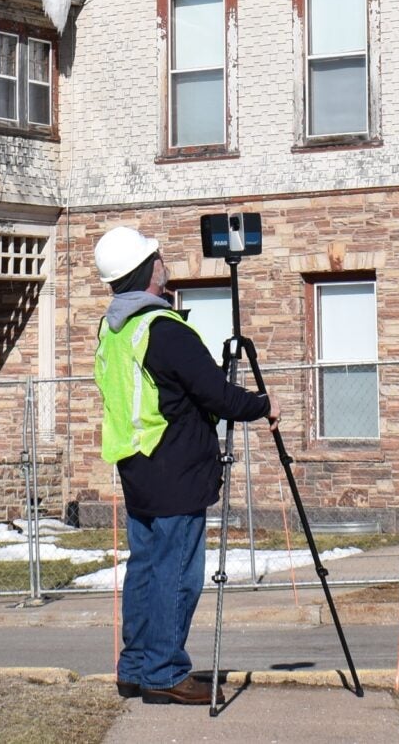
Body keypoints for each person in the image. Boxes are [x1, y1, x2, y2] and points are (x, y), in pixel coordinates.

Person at [91, 224, 270, 707]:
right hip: (175, 467)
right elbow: (214, 392)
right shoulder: (163, 329)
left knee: (146, 569)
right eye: (159, 258)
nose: (164, 263)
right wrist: (262, 406)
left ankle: (135, 667)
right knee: (178, 572)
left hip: (138, 464)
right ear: (149, 272)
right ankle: (166, 672)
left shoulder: (115, 329)